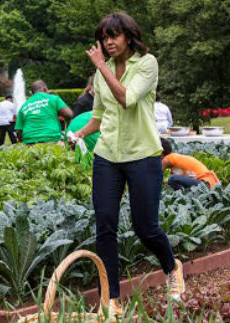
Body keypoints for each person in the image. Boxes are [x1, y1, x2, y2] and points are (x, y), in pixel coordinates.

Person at [71, 12, 184, 315]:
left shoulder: (147, 64)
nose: (108, 42)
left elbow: (126, 99)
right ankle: (111, 299)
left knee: (145, 227)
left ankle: (171, 266)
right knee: (105, 226)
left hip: (143, 156)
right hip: (107, 157)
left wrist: (99, 68)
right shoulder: (102, 71)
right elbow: (99, 116)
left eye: (114, 35)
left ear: (128, 36)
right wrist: (78, 133)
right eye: (104, 37)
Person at [15, 80, 73, 144]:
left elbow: (18, 131)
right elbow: (69, 114)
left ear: (32, 93)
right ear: (45, 89)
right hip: (51, 139)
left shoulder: (24, 106)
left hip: (30, 142)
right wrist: (67, 131)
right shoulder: (53, 98)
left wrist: (23, 143)